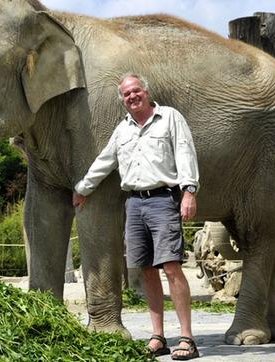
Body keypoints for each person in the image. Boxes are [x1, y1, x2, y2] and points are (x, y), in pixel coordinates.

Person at [73, 74, 200, 360]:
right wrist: (82, 189)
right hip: (134, 204)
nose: (132, 97)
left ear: (146, 91)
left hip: (163, 199)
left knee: (171, 266)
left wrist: (189, 190)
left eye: (136, 91)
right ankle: (158, 337)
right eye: (127, 94)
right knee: (145, 270)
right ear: (123, 100)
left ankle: (188, 339)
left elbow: (185, 152)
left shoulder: (169, 117)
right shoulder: (123, 130)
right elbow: (105, 161)